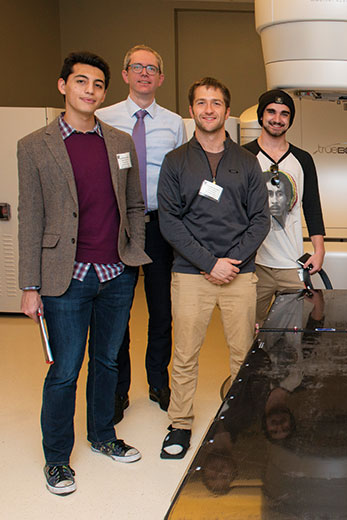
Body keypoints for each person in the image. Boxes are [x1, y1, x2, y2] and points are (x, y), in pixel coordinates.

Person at [17, 51, 151, 495]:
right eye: (81, 82)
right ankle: (57, 459)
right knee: (65, 369)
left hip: (115, 273)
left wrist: (133, 251)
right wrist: (29, 286)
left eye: (97, 84)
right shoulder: (34, 146)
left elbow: (133, 202)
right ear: (63, 86)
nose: (89, 90)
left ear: (104, 92)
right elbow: (30, 217)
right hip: (65, 276)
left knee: (108, 361)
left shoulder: (119, 142)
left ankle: (103, 436)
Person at [157, 77, 269, 459]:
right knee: (185, 354)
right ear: (191, 110)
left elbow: (260, 220)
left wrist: (230, 263)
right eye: (202, 103)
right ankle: (180, 424)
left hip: (239, 274)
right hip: (191, 274)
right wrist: (209, 263)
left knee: (243, 355)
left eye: (216, 103)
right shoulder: (175, 162)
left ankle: (241, 419)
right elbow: (169, 222)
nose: (209, 109)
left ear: (226, 111)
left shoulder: (247, 162)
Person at [97, 44, 187, 422]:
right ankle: (119, 389)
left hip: (158, 225)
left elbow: (182, 175)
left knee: (161, 311)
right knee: (116, 311)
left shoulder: (174, 122)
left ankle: (158, 381)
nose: (145, 73)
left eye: (152, 68)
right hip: (116, 226)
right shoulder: (103, 116)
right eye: (137, 66)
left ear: (161, 78)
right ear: (125, 74)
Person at [243, 90, 325, 325]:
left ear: (290, 119)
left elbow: (312, 207)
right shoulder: (243, 156)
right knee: (249, 331)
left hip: (290, 263)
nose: (277, 119)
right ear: (261, 116)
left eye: (284, 114)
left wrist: (319, 250)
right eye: (271, 112)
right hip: (253, 263)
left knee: (293, 334)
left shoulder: (303, 159)